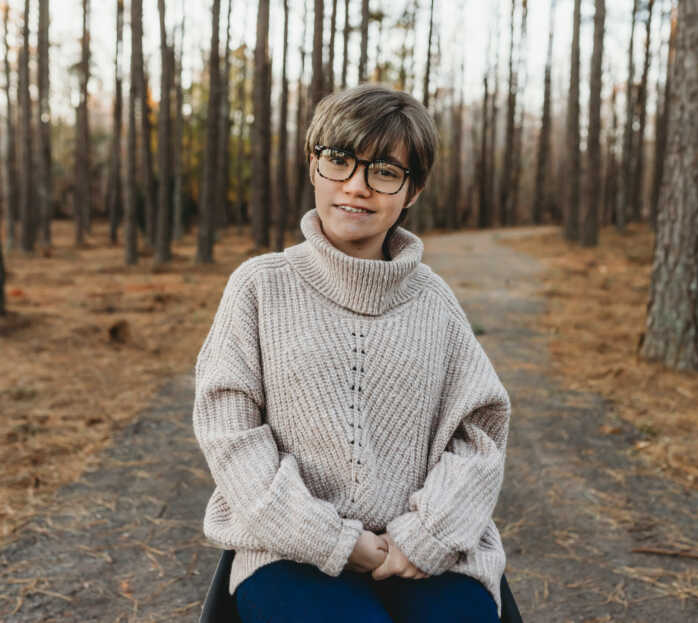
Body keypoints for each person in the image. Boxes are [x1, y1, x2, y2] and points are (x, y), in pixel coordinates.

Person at [193, 84, 512, 623]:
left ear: (411, 191)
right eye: (339, 161)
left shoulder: (434, 301)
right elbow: (230, 436)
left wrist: (425, 535)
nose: (357, 187)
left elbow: (477, 436)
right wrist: (334, 539)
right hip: (288, 548)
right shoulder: (259, 287)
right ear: (313, 166)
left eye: (385, 171)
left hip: (424, 552)